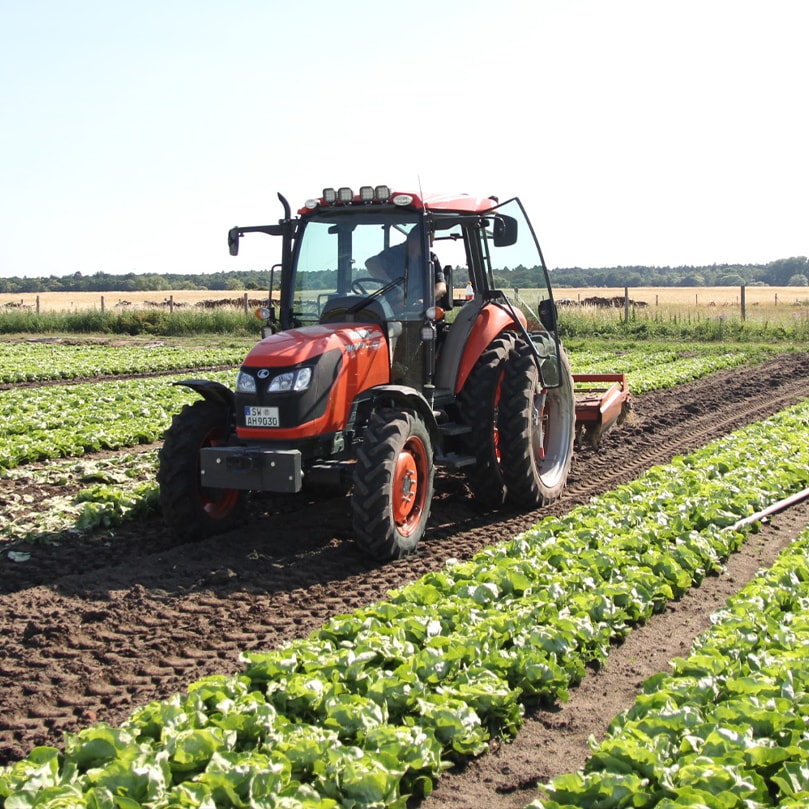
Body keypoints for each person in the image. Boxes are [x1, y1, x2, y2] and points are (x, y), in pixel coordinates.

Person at [365, 227, 446, 305]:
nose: (431, 245)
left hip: (422, 309)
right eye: (428, 242)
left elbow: (441, 287)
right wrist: (391, 284)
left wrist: (425, 301)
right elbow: (370, 263)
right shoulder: (393, 254)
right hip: (393, 307)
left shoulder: (430, 258)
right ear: (413, 240)